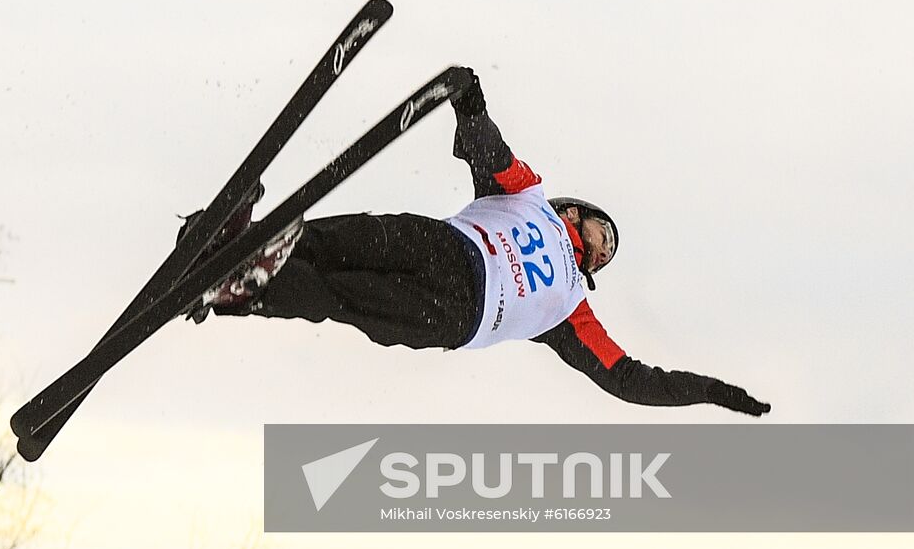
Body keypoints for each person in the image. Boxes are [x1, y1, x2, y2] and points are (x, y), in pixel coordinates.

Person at [194, 67, 771, 416]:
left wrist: (712, 392)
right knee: (353, 238)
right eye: (599, 236)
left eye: (603, 257)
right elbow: (490, 153)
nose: (596, 251)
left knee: (344, 296)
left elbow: (630, 380)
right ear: (575, 211)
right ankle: (241, 245)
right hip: (445, 245)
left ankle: (243, 290)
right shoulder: (532, 200)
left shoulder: (571, 310)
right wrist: (470, 100)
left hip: (459, 313)